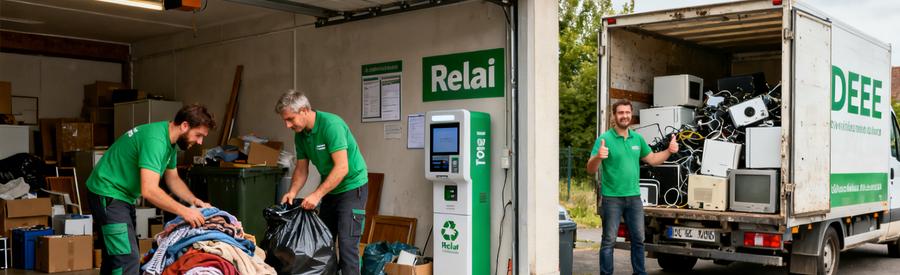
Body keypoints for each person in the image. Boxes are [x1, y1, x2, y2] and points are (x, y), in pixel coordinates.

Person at [86, 104, 216, 274]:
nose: (200, 142)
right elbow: (149, 191)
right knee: (127, 259)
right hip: (107, 192)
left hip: (122, 196)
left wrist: (194, 201)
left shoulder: (170, 143)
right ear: (184, 126)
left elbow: (173, 178)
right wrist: (185, 212)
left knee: (115, 258)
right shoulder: (156, 141)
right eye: (198, 135)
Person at [275, 90, 369, 275]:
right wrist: (292, 192)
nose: (287, 125)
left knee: (347, 246)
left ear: (303, 110)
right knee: (322, 244)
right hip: (331, 189)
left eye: (290, 119)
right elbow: (302, 169)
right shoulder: (300, 134)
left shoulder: (331, 125)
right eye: (285, 120)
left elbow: (342, 168)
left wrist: (317, 195)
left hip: (352, 188)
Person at [586, 100, 678, 275]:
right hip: (612, 198)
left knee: (639, 240)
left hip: (634, 198)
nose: (624, 116)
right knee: (608, 241)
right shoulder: (604, 139)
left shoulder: (637, 138)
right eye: (620, 113)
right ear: (614, 116)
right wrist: (598, 157)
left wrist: (669, 151)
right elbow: (591, 169)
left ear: (631, 114)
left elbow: (652, 160)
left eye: (627, 112)